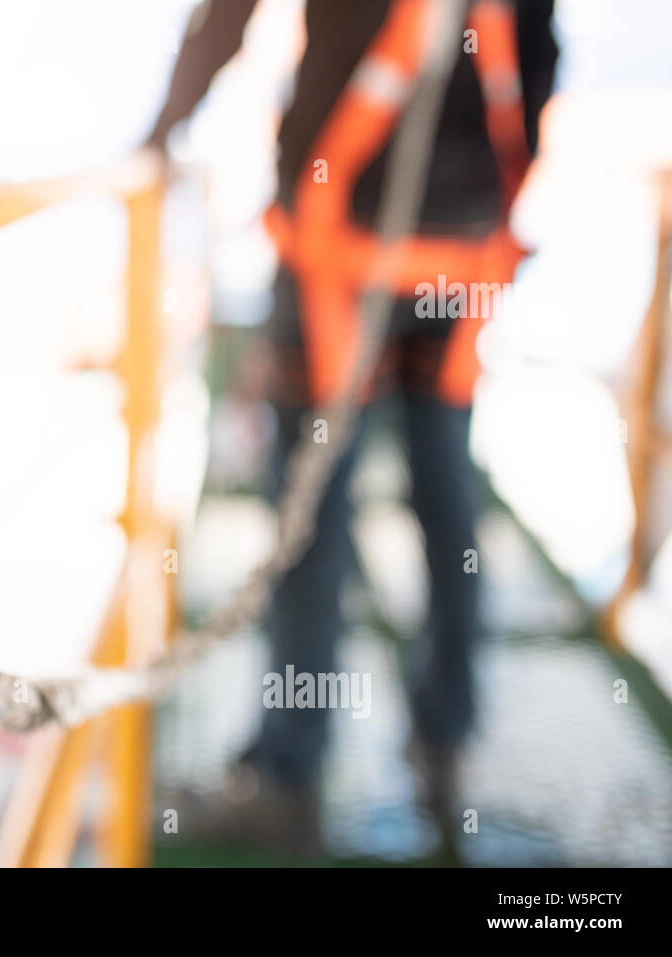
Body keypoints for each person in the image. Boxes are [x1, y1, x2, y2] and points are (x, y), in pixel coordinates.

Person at [146, 0, 558, 854]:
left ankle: (289, 775)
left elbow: (225, 17)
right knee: (446, 486)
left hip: (343, 243)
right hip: (463, 245)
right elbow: (542, 51)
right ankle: (445, 738)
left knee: (312, 517)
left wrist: (160, 134)